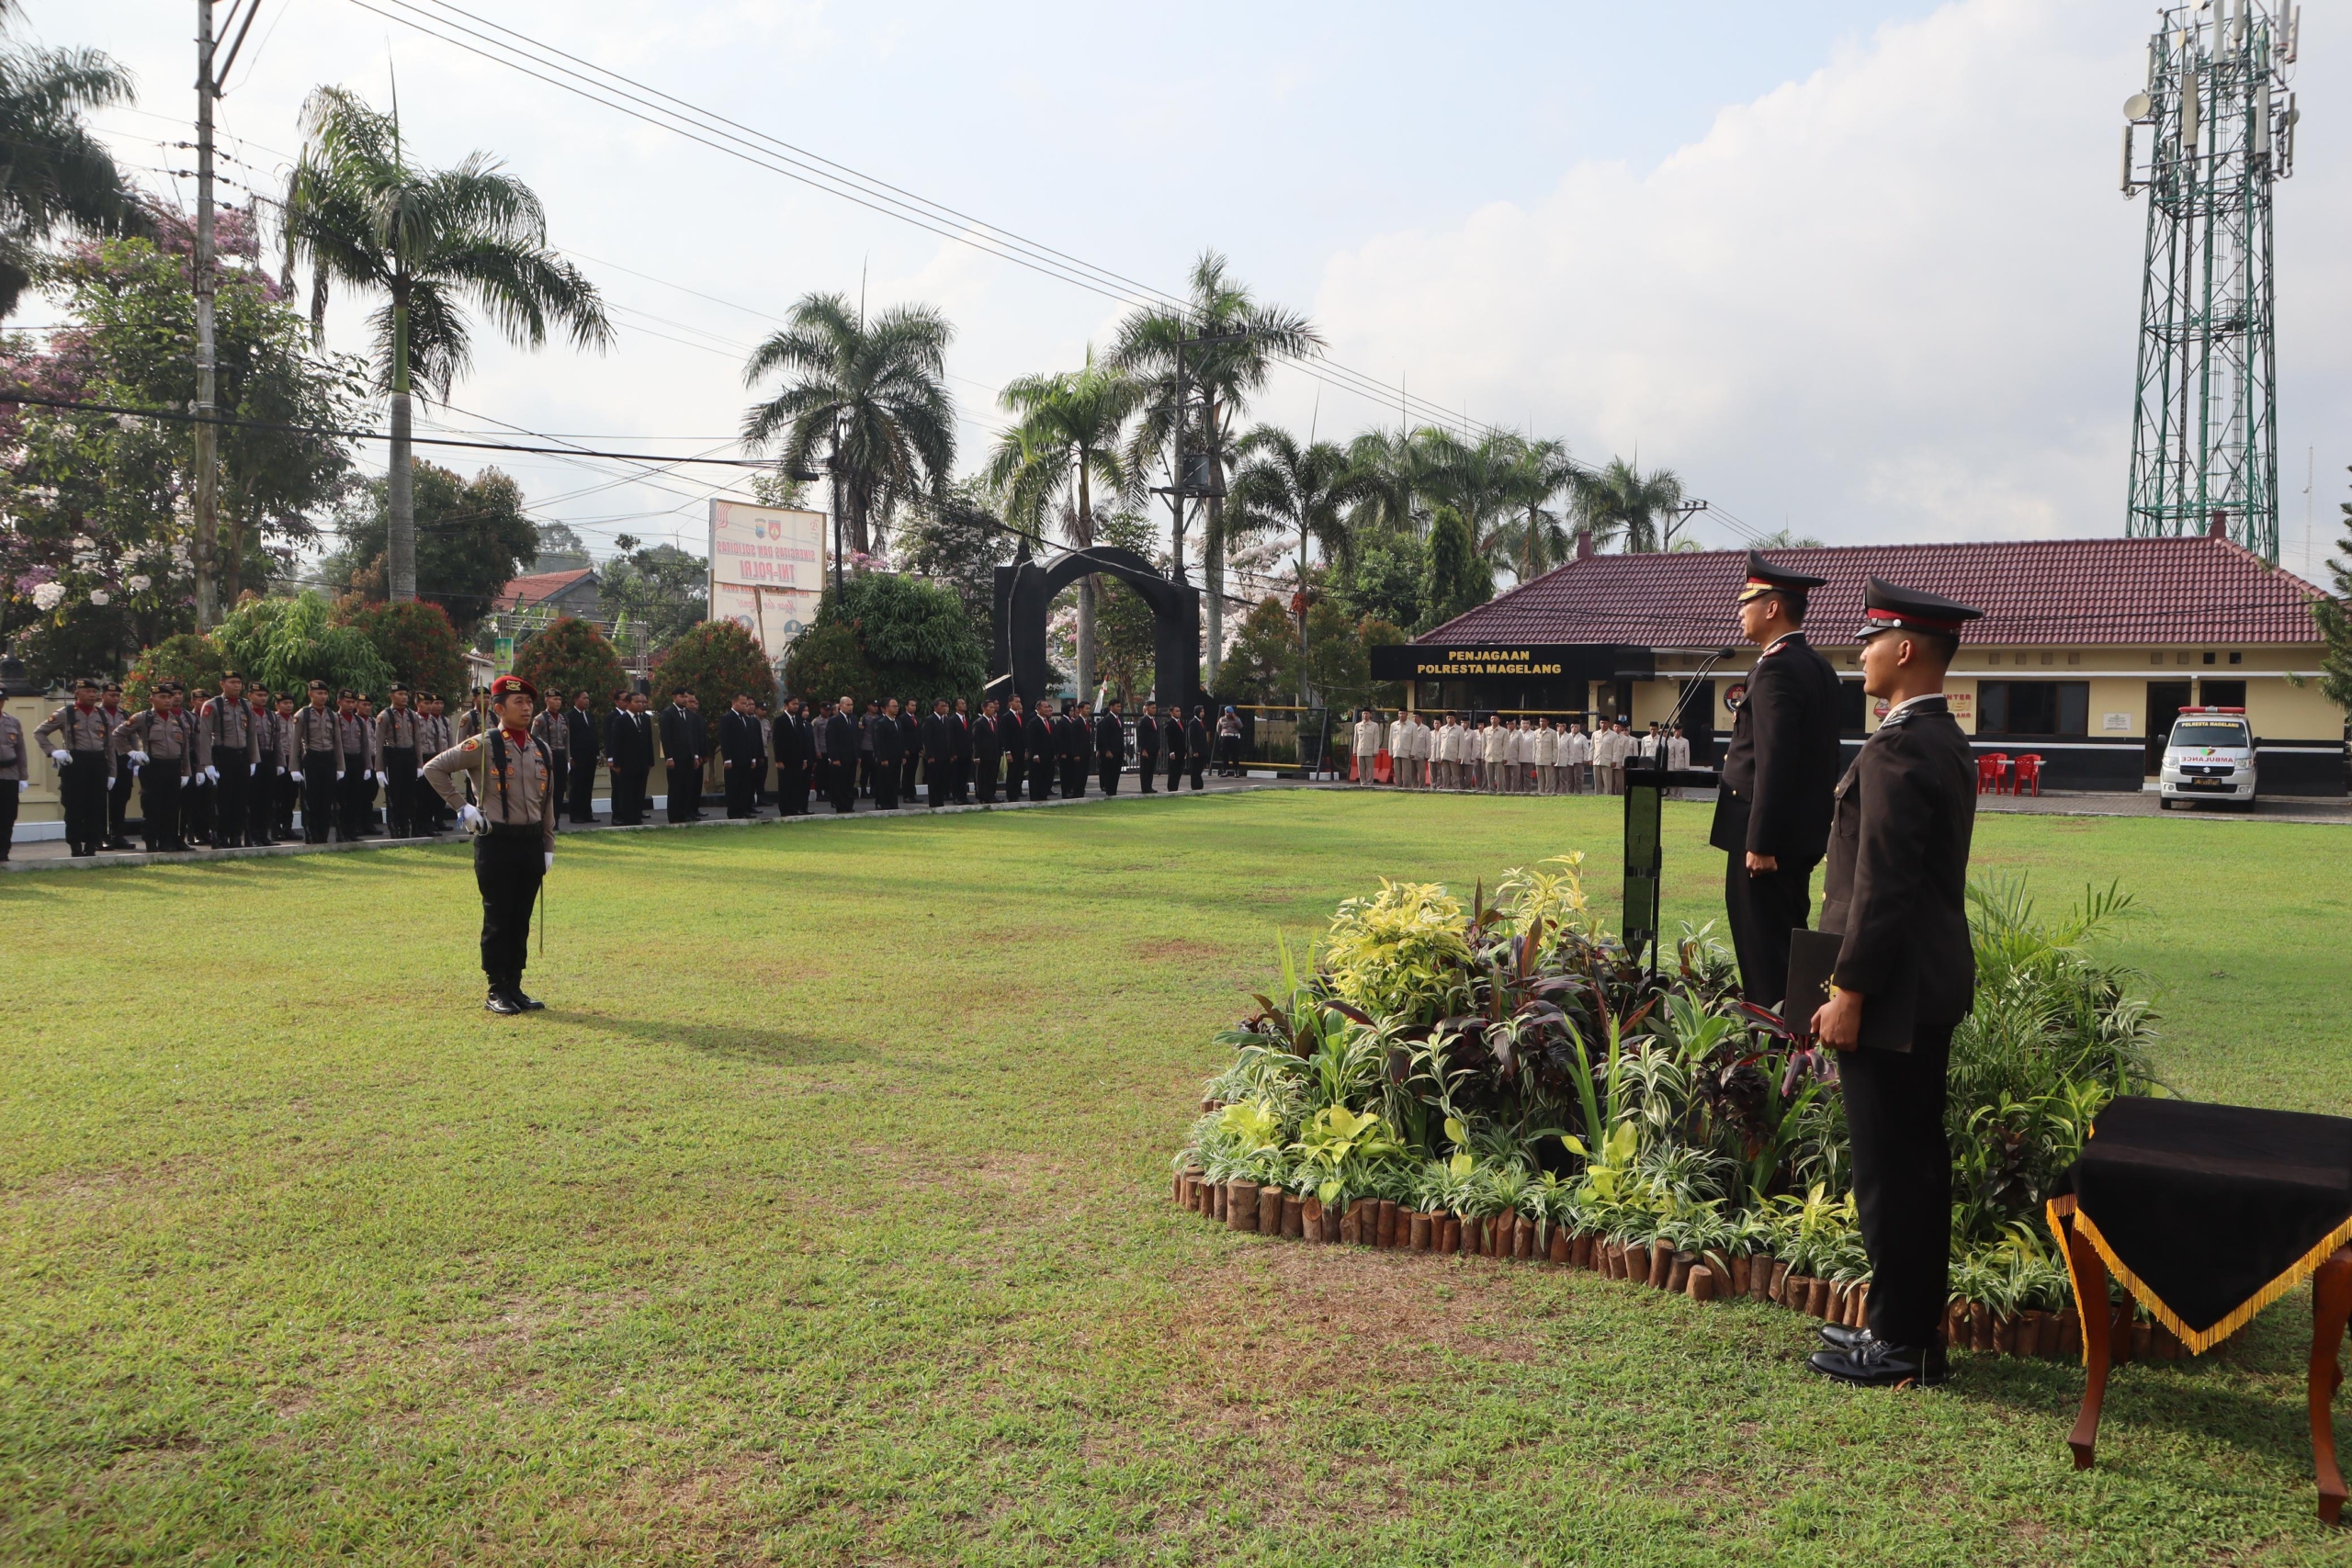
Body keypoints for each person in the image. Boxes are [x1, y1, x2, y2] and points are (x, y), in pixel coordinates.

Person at [1805, 579, 1984, 1390]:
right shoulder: (1941, 738)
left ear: (1905, 650)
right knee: (1913, 1166)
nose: (1861, 652)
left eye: (1872, 639)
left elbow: (1882, 888)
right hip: (1921, 987)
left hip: (1894, 996)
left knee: (1890, 1170)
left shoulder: (1902, 748)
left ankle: (1902, 1343)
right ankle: (1905, 1332)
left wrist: (1849, 991)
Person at [1710, 550, 1842, 1010]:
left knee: (1765, 957)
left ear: (1771, 608)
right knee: (1787, 947)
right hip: (1799, 838)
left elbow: (1776, 761)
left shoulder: (1777, 669)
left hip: (1766, 844)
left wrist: (1761, 842)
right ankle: (1794, 1049)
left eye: (1747, 601)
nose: (1739, 611)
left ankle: (1772, 1055)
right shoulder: (1819, 667)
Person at [423, 673, 557, 1016]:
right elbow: (434, 768)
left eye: (529, 702)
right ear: (498, 708)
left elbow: (548, 801)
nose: (526, 708)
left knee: (521, 917)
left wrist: (548, 844)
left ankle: (515, 984)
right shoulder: (483, 744)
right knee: (498, 916)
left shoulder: (540, 748)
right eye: (518, 703)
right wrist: (462, 806)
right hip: (497, 842)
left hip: (529, 843)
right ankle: (496, 988)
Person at [110, 682, 193, 852]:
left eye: (169, 697)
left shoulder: (177, 719)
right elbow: (118, 734)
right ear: (151, 699)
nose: (168, 701)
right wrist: (132, 753)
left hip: (173, 766)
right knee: (152, 806)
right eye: (162, 697)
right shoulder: (143, 717)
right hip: (153, 766)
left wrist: (186, 771)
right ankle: (151, 841)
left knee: (171, 807)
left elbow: (184, 747)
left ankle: (167, 841)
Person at [605, 691, 655, 825]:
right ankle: (625, 818)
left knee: (639, 791)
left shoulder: (645, 719)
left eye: (642, 702)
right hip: (626, 763)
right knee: (626, 792)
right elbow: (616, 743)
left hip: (642, 763)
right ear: (628, 704)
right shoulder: (620, 720)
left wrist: (650, 761)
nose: (641, 704)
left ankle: (636, 816)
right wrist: (616, 762)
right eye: (637, 702)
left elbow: (648, 741)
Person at [97, 681, 137, 849]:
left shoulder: (125, 714)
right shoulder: (96, 713)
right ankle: (102, 836)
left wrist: (135, 758)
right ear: (103, 696)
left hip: (122, 759)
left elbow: (132, 737)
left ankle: (118, 834)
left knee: (121, 798)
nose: (115, 698)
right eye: (111, 695)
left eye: (118, 695)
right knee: (101, 799)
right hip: (103, 758)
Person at [659, 687, 703, 824]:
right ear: (674, 697)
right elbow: (665, 737)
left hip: (689, 757)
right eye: (681, 697)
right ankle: (674, 816)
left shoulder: (689, 715)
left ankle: (685, 814)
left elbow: (692, 737)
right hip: (675, 758)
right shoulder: (667, 713)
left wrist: (695, 756)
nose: (684, 699)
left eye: (686, 697)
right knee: (675, 787)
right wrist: (669, 757)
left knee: (687, 786)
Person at [717, 692, 763, 818]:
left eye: (746, 704)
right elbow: (725, 740)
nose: (745, 706)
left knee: (745, 787)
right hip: (733, 760)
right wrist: (727, 759)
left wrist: (753, 757)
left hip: (746, 760)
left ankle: (743, 810)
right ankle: (733, 812)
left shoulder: (747, 719)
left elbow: (751, 740)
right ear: (734, 703)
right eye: (742, 703)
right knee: (733, 787)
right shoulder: (727, 719)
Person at [562, 689, 600, 823]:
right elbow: (567, 739)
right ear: (576, 699)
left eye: (588, 698)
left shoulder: (589, 715)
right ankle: (575, 815)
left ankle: (587, 814)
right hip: (577, 758)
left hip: (590, 757)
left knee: (588, 786)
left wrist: (596, 753)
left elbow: (593, 735)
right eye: (584, 698)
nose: (587, 700)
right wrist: (570, 757)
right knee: (577, 787)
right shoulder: (569, 716)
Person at [773, 695, 813, 816]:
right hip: (785, 761)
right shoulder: (780, 721)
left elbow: (803, 741)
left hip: (798, 760)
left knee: (796, 786)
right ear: (786, 705)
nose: (796, 706)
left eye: (797, 704)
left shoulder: (799, 721)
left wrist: (804, 759)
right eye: (793, 704)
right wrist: (778, 760)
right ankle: (785, 810)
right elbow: (777, 741)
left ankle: (795, 809)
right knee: (785, 786)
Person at [822, 695, 859, 813]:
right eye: (848, 705)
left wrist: (858, 755)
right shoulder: (834, 720)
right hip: (840, 758)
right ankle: (840, 806)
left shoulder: (853, 719)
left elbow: (856, 738)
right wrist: (834, 758)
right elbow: (831, 740)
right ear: (841, 705)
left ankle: (849, 805)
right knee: (840, 783)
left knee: (850, 782)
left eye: (851, 705)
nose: (850, 707)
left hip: (852, 757)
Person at [872, 696, 906, 809]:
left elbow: (901, 740)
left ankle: (893, 803)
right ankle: (882, 803)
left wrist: (902, 756)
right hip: (886, 758)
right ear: (886, 708)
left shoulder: (898, 723)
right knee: (884, 781)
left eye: (897, 706)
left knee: (895, 782)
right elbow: (879, 742)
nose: (896, 708)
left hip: (896, 758)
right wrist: (883, 758)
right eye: (894, 706)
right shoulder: (881, 723)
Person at [0, 699, 23, 859]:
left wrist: (24, 776)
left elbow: (21, 750)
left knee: (8, 815)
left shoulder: (13, 722)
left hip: (10, 775)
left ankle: (3, 851)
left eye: (1, 700)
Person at [921, 697, 954, 808]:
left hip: (945, 756)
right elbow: (927, 739)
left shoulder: (946, 720)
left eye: (946, 706)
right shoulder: (929, 720)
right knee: (934, 780)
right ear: (935, 707)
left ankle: (940, 802)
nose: (945, 708)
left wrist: (951, 754)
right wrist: (930, 755)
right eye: (942, 706)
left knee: (943, 780)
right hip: (934, 756)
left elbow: (949, 738)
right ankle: (934, 803)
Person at [1095, 698, 1126, 795]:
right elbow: (1104, 737)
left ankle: (1114, 791)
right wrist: (1107, 750)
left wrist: (1123, 750)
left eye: (1120, 706)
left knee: (1116, 772)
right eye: (1117, 706)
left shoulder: (1119, 719)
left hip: (1119, 750)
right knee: (1110, 772)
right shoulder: (1107, 720)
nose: (1119, 708)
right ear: (1111, 707)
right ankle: (1109, 791)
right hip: (1111, 751)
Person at [1026, 698, 1055, 802]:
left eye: (1048, 707)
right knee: (1036, 777)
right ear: (1038, 709)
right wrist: (1035, 754)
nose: (1047, 709)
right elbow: (1031, 740)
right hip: (1038, 755)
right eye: (1045, 707)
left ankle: (1043, 795)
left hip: (1047, 755)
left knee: (1045, 776)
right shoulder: (1033, 722)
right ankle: (1035, 797)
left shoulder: (1047, 721)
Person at [1001, 694, 1027, 800]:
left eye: (1019, 702)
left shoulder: (1020, 716)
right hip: (1012, 751)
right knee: (1012, 773)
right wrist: (1007, 752)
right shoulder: (1006, 717)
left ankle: (1017, 793)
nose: (1018, 704)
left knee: (1019, 773)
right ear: (1010, 703)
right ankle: (1011, 795)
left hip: (1021, 750)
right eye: (1016, 701)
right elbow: (1005, 736)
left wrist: (1025, 749)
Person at [950, 696, 974, 804]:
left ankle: (964, 797)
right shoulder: (952, 720)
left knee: (964, 777)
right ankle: (957, 797)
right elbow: (951, 738)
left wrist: (972, 752)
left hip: (967, 753)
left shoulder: (967, 720)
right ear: (956, 706)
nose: (964, 705)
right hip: (957, 754)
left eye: (965, 703)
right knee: (956, 776)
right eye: (962, 703)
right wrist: (953, 753)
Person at [1134, 699, 1159, 793]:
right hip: (1146, 749)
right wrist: (1143, 749)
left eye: (1155, 708)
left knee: (1151, 769)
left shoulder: (1155, 721)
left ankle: (1149, 786)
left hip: (1154, 748)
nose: (1154, 710)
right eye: (1152, 708)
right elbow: (1141, 736)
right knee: (1145, 769)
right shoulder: (1143, 720)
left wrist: (1158, 748)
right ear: (1147, 709)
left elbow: (1156, 735)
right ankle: (1145, 787)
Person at [1160, 701, 1185, 795]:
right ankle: (1171, 788)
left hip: (1181, 750)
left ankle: (1176, 787)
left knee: (1179, 770)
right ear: (1171, 713)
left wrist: (1185, 750)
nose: (1179, 712)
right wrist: (1171, 751)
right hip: (1174, 750)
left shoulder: (1181, 723)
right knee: (1173, 770)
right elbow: (1169, 739)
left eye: (1179, 711)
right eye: (1176, 711)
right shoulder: (1170, 723)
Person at [1186, 705, 1210, 790]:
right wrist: (1194, 750)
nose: (1202, 713)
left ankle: (1199, 784)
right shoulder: (1193, 723)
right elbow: (1192, 737)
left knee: (1200, 768)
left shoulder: (1202, 722)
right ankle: (1195, 785)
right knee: (1195, 769)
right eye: (1201, 712)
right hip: (1196, 751)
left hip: (1202, 749)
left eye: (1203, 711)